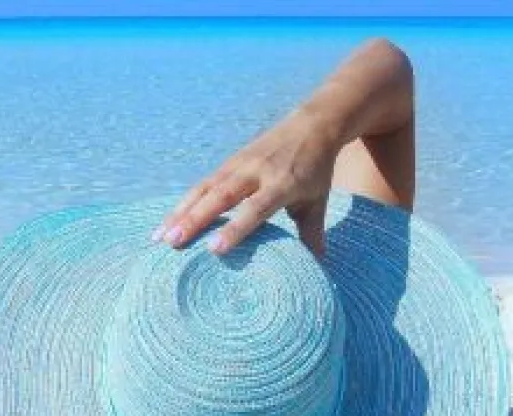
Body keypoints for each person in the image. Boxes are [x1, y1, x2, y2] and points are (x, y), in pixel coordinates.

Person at [152, 37, 415, 258]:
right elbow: (390, 65)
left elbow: (388, 62)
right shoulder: (365, 270)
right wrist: (315, 131)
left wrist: (311, 130)